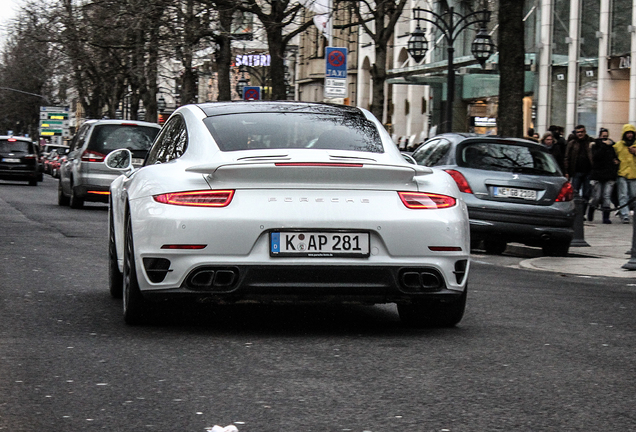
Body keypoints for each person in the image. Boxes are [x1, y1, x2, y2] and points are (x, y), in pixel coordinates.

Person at [588, 128, 618, 223]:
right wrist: (603, 146)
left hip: (609, 175)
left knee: (606, 196)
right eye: (603, 136)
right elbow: (596, 157)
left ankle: (606, 217)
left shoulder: (611, 147)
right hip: (597, 174)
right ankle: (591, 210)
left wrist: (616, 163)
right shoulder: (595, 146)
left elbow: (614, 158)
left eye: (606, 136)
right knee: (597, 196)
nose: (605, 138)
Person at [564, 125, 594, 212]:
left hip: (588, 171)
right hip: (576, 171)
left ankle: (583, 212)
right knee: (575, 193)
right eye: (578, 132)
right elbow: (567, 158)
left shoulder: (590, 142)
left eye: (581, 132)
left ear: (585, 132)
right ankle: (576, 211)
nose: (580, 134)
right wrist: (567, 171)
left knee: (586, 194)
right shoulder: (572, 143)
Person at [613, 124, 636, 223]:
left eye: (631, 133)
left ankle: (628, 211)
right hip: (622, 173)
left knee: (633, 195)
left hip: (634, 173)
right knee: (623, 195)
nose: (630, 135)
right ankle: (625, 214)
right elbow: (611, 154)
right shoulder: (618, 145)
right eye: (628, 133)